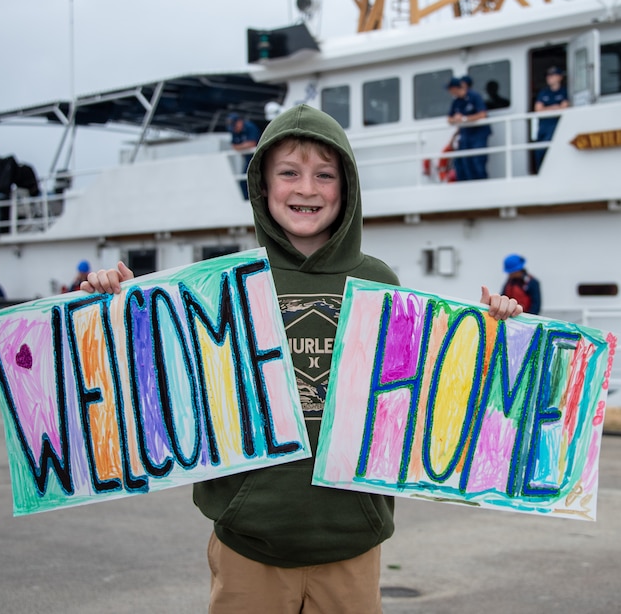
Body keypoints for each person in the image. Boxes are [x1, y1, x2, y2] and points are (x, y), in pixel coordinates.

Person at [80, 104, 522, 613]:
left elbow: (427, 391)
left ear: (347, 188)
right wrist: (110, 302)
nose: (306, 188)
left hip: (352, 540)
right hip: (250, 541)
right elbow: (157, 370)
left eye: (324, 175)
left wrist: (496, 332)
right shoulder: (218, 283)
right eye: (288, 172)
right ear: (263, 186)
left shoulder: (379, 282)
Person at [446, 77, 492, 181]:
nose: (449, 92)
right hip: (465, 135)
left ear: (454, 88)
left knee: (477, 162)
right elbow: (449, 118)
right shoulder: (457, 101)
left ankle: (482, 187)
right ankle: (467, 188)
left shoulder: (474, 96)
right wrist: (455, 119)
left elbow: (483, 114)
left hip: (478, 135)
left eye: (450, 89)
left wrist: (464, 119)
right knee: (463, 163)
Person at [533, 66, 569, 171]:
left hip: (557, 127)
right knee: (540, 151)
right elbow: (538, 109)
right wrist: (555, 107)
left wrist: (547, 108)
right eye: (548, 76)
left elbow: (564, 107)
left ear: (560, 77)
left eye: (553, 75)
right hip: (544, 128)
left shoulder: (564, 91)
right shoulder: (543, 92)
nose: (550, 78)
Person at [228, 112, 262, 200]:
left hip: (259, 157)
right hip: (248, 158)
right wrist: (244, 146)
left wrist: (241, 147)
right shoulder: (235, 131)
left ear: (239, 122)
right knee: (244, 181)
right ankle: (248, 200)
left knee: (257, 179)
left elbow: (252, 143)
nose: (234, 129)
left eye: (235, 126)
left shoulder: (250, 127)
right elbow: (234, 146)